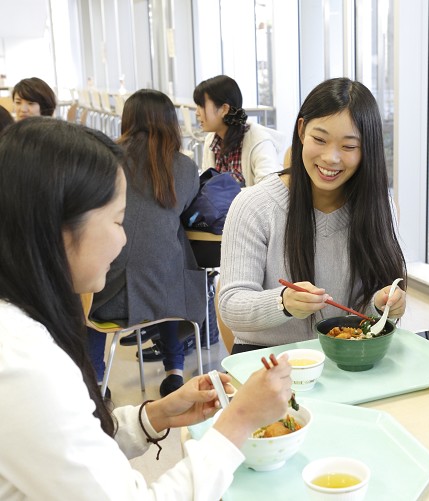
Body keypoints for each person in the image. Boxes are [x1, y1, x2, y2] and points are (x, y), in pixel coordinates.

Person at [0, 117, 294, 499]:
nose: (123, 241)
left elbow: (72, 450)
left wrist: (154, 416)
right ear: (59, 228)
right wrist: (239, 421)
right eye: (119, 220)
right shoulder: (23, 362)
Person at [218, 77, 407, 353]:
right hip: (269, 360)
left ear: (367, 149)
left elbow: (373, 307)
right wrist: (283, 302)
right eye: (320, 139)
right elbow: (231, 305)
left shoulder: (379, 207)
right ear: (301, 130)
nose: (331, 158)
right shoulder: (254, 205)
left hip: (349, 355)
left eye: (349, 146)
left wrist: (383, 306)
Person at [87, 89, 204, 397]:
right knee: (170, 252)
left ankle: (96, 381)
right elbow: (184, 208)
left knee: (85, 296)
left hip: (110, 294)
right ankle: (174, 371)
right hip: (169, 295)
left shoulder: (106, 159)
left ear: (128, 119)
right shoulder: (185, 167)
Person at [193, 74, 284, 187]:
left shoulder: (259, 142)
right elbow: (207, 188)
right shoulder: (211, 140)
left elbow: (269, 192)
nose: (197, 113)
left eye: (201, 106)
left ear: (224, 109)